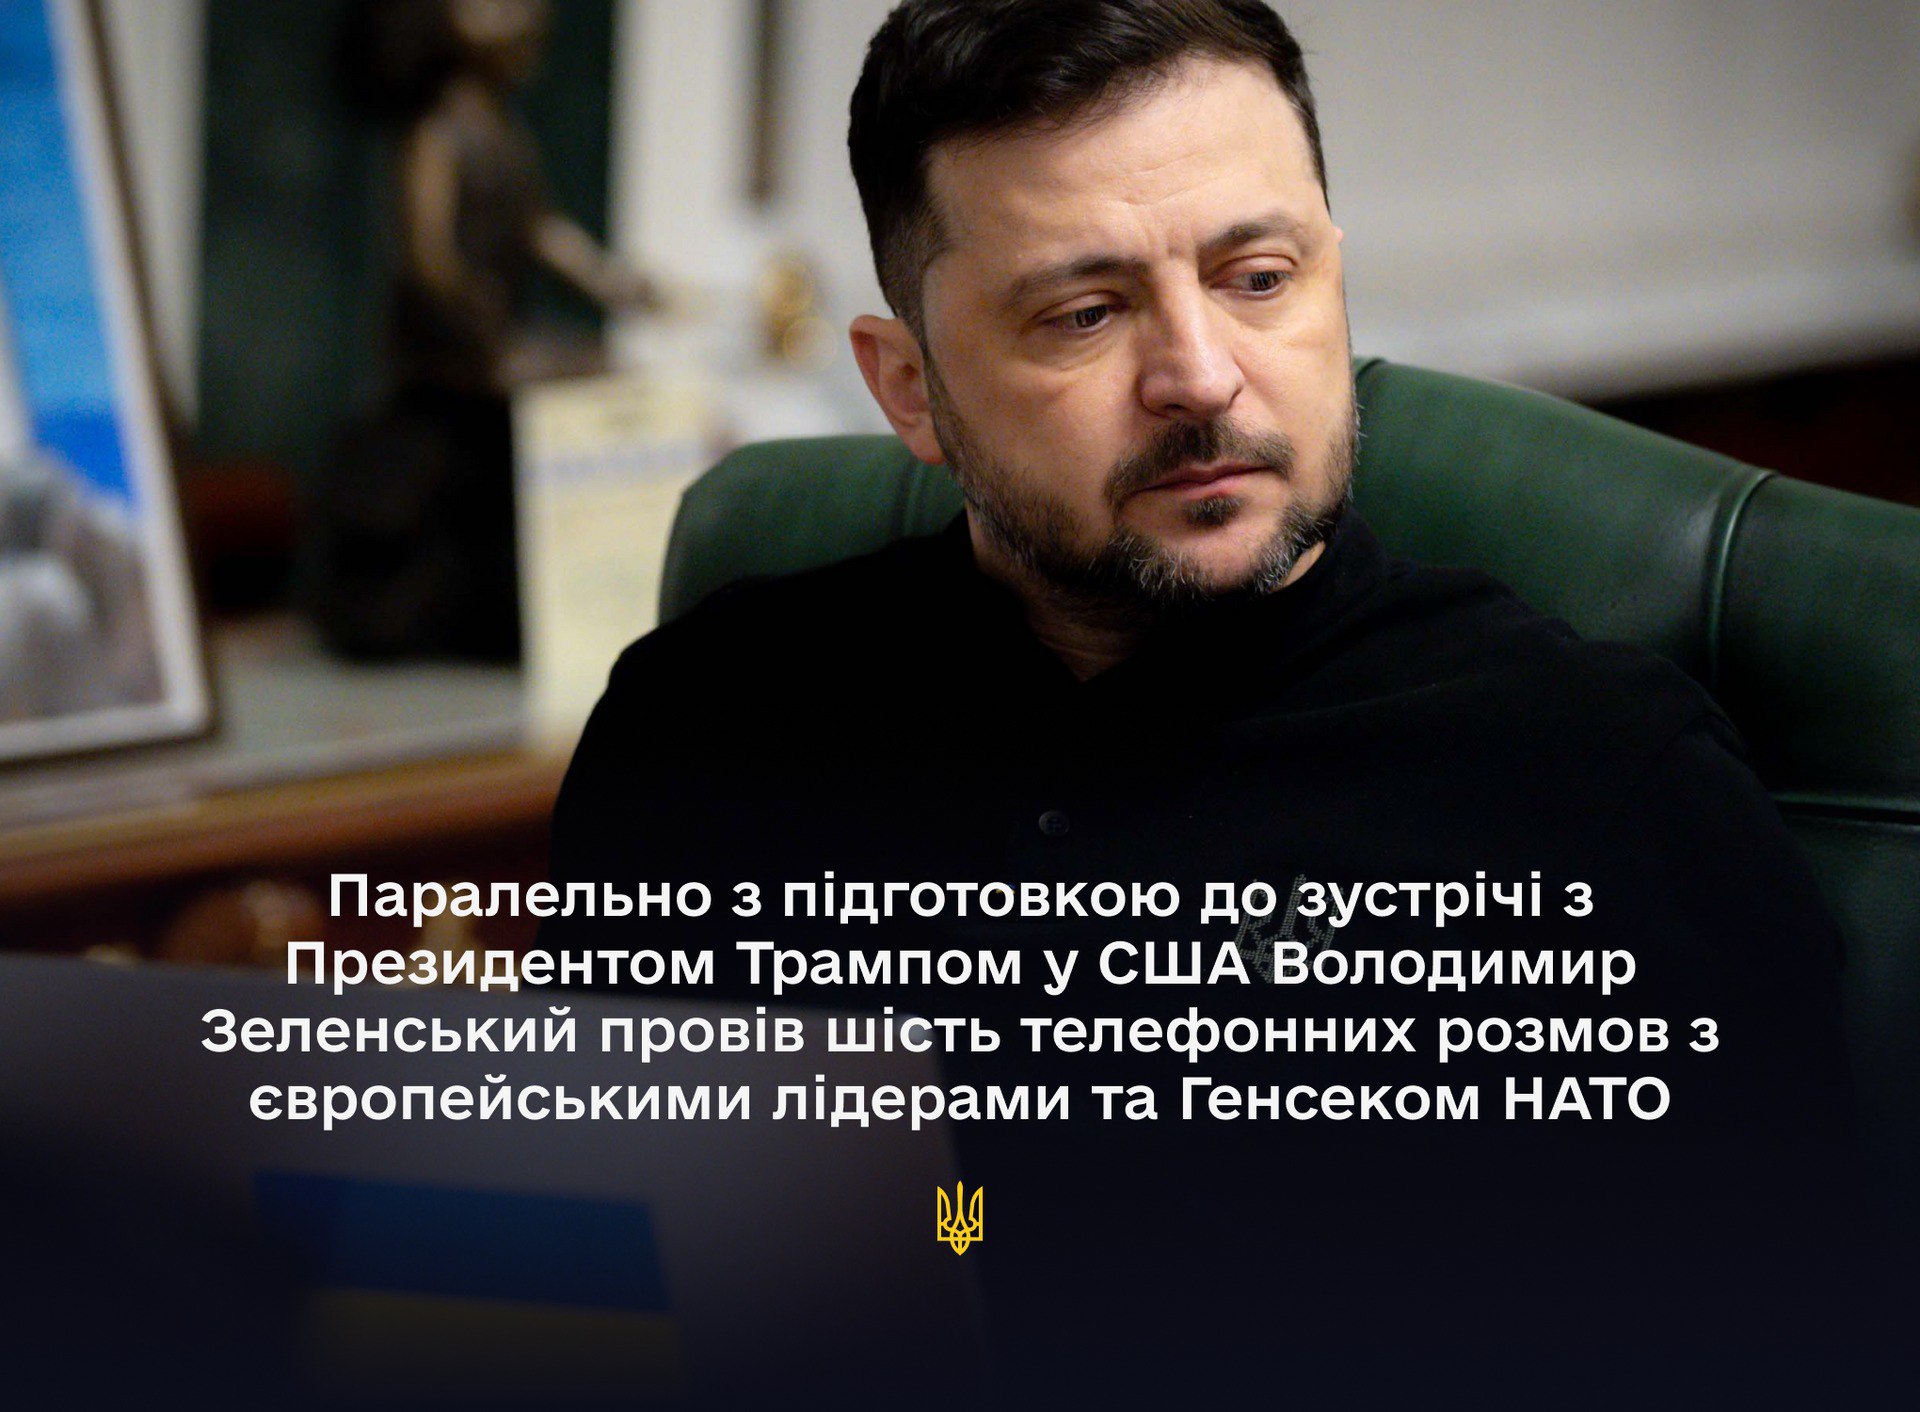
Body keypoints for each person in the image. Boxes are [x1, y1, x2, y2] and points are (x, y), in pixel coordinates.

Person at [546, 1, 1883, 1400]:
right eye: (1084, 313)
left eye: (1258, 279)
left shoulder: (1603, 789)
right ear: (911, 388)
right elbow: (594, 1281)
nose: (1198, 376)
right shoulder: (704, 728)